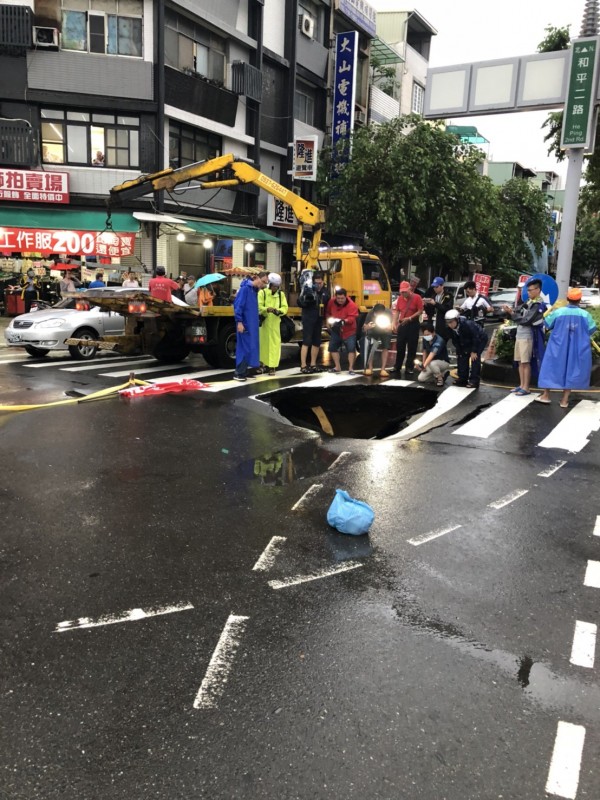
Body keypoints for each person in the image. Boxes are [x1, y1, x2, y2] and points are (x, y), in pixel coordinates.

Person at [535, 287, 598, 408]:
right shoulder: (585, 315)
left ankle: (546, 395)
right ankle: (564, 400)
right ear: (579, 300)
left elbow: (547, 323)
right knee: (572, 370)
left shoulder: (559, 312)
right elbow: (591, 330)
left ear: (568, 299)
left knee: (551, 367)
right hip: (578, 348)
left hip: (558, 346)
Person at [502, 277, 547, 396]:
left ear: (538, 290)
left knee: (526, 362)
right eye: (528, 290)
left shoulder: (538, 304)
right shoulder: (528, 302)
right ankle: (521, 385)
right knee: (520, 362)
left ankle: (526, 387)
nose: (528, 292)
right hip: (520, 334)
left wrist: (512, 314)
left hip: (528, 336)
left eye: (531, 290)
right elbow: (518, 312)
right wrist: (510, 311)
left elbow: (527, 320)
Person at [233, 271, 269, 381]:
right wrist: (239, 322)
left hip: (250, 324)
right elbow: (238, 306)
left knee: (249, 347)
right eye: (263, 282)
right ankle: (239, 372)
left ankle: (243, 371)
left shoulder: (253, 290)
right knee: (244, 348)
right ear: (257, 278)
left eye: (265, 283)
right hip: (245, 324)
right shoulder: (246, 289)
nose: (263, 285)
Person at [444, 309, 488, 388]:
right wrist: (459, 351)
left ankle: (474, 381)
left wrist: (474, 351)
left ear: (457, 320)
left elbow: (476, 337)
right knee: (462, 357)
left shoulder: (467, 324)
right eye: (448, 322)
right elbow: (454, 340)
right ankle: (462, 378)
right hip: (465, 341)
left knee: (474, 359)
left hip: (479, 339)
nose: (449, 324)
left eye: (451, 322)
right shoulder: (449, 329)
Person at [299, 270, 330, 373]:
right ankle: (303, 365)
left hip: (319, 318)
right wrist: (306, 300)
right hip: (308, 317)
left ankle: (313, 364)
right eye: (316, 283)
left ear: (323, 281)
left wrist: (326, 319)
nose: (318, 285)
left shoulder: (326, 291)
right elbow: (299, 302)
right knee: (307, 340)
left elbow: (328, 305)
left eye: (320, 283)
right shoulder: (308, 289)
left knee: (317, 341)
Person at [258, 272, 288, 375]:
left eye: (277, 286)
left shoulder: (281, 295)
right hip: (264, 324)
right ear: (269, 284)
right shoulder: (262, 293)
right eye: (274, 286)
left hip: (275, 324)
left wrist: (279, 311)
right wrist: (267, 309)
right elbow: (259, 306)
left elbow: (285, 307)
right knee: (263, 345)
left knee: (274, 346)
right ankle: (262, 365)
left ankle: (272, 367)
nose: (275, 288)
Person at [392, 280, 424, 376]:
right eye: (402, 292)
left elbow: (420, 311)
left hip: (413, 324)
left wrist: (410, 318)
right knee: (400, 346)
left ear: (409, 289)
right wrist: (394, 322)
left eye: (405, 291)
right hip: (403, 324)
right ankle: (397, 366)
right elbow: (397, 311)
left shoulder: (417, 297)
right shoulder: (400, 299)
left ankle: (409, 367)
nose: (403, 293)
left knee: (412, 347)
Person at [325, 287, 359, 374]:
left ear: (346, 297)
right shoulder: (331, 302)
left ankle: (351, 368)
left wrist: (344, 321)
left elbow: (352, 317)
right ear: (335, 297)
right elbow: (328, 312)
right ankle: (337, 367)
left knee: (351, 349)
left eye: (342, 298)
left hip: (349, 331)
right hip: (336, 329)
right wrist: (328, 321)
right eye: (338, 298)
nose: (340, 300)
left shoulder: (352, 305)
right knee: (332, 347)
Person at [362, 303, 393, 378]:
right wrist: (368, 327)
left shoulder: (388, 312)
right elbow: (364, 328)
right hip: (373, 330)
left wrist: (387, 327)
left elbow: (390, 326)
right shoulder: (370, 313)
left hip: (385, 331)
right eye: (377, 313)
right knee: (371, 347)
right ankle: (370, 367)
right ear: (374, 311)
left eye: (380, 313)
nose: (378, 314)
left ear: (383, 311)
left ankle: (383, 369)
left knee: (385, 347)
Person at [418, 320, 450, 387]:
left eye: (428, 334)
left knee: (431, 363)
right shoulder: (425, 339)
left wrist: (424, 365)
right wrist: (423, 364)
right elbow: (425, 351)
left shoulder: (439, 341)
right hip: (431, 363)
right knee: (421, 378)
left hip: (443, 362)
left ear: (433, 333)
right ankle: (442, 374)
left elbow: (431, 355)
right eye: (425, 335)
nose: (426, 336)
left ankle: (440, 378)